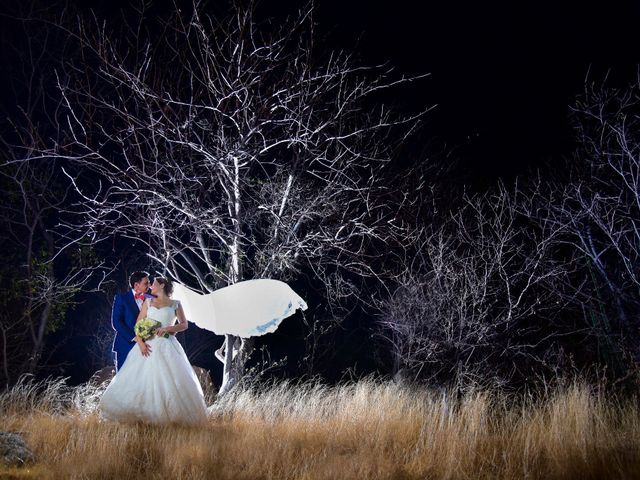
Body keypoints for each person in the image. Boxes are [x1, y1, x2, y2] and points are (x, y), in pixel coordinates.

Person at [99, 276, 208, 425]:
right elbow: (138, 325)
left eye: (154, 284)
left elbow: (184, 325)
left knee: (170, 380)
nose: (151, 286)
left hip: (168, 344)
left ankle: (170, 417)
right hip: (149, 344)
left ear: (162, 285)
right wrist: (141, 344)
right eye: (149, 284)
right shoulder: (148, 301)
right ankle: (141, 416)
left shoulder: (176, 304)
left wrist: (169, 328)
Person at [111, 271, 153, 371]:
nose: (149, 285)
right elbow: (116, 322)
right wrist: (135, 338)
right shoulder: (122, 298)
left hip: (148, 346)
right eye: (146, 283)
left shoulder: (152, 299)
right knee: (123, 378)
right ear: (136, 285)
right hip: (126, 345)